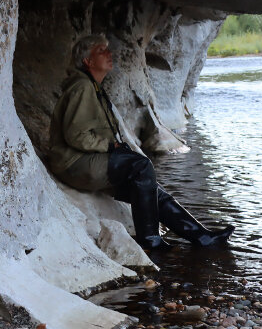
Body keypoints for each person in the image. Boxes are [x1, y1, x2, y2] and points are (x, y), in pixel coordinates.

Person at [48, 34, 234, 250]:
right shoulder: (82, 87)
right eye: (101, 51)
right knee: (141, 166)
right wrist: (110, 147)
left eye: (108, 49)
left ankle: (202, 237)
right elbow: (76, 136)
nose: (109, 54)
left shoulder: (93, 87)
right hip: (74, 164)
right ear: (87, 61)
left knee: (152, 189)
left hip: (87, 161)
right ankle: (150, 241)